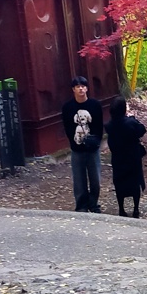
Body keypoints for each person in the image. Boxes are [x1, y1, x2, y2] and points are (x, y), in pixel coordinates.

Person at [62, 76, 103, 213]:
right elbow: (67, 127)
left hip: (93, 148)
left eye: (83, 86)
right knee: (79, 180)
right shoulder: (68, 107)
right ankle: (81, 205)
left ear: (87, 88)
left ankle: (93, 203)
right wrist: (74, 143)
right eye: (78, 86)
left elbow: (98, 126)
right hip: (76, 149)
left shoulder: (95, 105)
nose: (81, 88)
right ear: (73, 89)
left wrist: (95, 141)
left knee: (95, 179)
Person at [105, 96, 147, 218]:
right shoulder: (130, 123)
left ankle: (121, 209)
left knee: (119, 183)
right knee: (134, 183)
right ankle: (135, 209)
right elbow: (142, 130)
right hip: (132, 157)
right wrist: (132, 117)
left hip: (118, 158)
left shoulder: (109, 125)